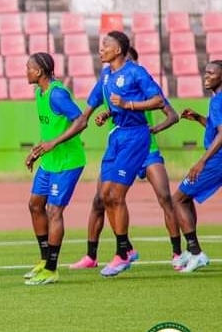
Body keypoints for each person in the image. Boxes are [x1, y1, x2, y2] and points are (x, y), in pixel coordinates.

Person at [70, 47, 182, 270]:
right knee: (101, 199)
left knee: (164, 197)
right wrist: (108, 113)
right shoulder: (110, 80)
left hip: (146, 149)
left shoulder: (140, 81)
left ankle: (178, 253)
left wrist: (154, 129)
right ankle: (99, 254)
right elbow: (108, 106)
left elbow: (171, 114)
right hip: (121, 147)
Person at [22, 53, 87, 285]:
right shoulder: (39, 93)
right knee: (35, 205)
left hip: (67, 162)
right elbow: (50, 129)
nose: (26, 71)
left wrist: (54, 143)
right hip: (49, 161)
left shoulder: (57, 94)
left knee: (54, 211)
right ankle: (44, 260)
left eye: (29, 68)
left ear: (39, 71)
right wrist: (37, 151)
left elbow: (81, 120)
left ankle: (51, 269)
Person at [170, 60, 222, 272]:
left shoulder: (218, 101)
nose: (206, 76)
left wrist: (202, 161)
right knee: (185, 198)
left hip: (217, 159)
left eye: (211, 73)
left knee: (177, 199)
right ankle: (192, 250)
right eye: (205, 72)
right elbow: (215, 127)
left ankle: (196, 252)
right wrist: (199, 118)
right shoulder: (216, 100)